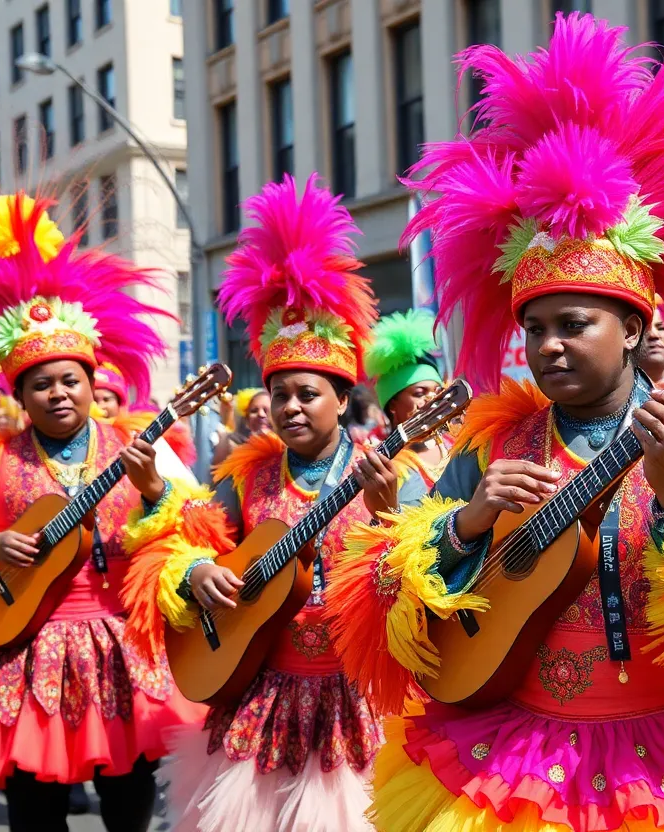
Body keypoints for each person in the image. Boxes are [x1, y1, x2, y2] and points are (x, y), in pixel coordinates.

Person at [326, 14, 664, 831]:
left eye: (574, 324)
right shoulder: (495, 442)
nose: (548, 346)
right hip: (520, 756)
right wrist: (466, 522)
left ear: (637, 331)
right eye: (535, 329)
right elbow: (387, 602)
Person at [0, 193, 206, 832]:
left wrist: (154, 493)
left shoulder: (142, 445)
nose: (58, 393)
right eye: (41, 384)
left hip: (122, 648)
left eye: (70, 380)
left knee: (129, 804)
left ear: (93, 381)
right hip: (20, 647)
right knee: (33, 810)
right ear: (21, 396)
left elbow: (199, 526)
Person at [122, 174, 405, 832]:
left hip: (354, 702)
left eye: (308, 393)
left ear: (343, 398)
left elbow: (420, 582)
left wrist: (390, 517)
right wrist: (198, 573)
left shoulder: (385, 470)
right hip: (261, 689)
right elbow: (181, 538)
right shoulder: (245, 474)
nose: (291, 406)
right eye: (280, 394)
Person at [365, 309, 453, 489]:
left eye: (437, 392)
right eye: (419, 393)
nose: (430, 400)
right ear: (393, 405)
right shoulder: (382, 463)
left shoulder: (459, 445)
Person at [210, 388, 271, 469]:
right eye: (254, 411)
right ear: (247, 419)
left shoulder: (288, 445)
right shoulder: (232, 443)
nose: (261, 414)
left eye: (266, 410)